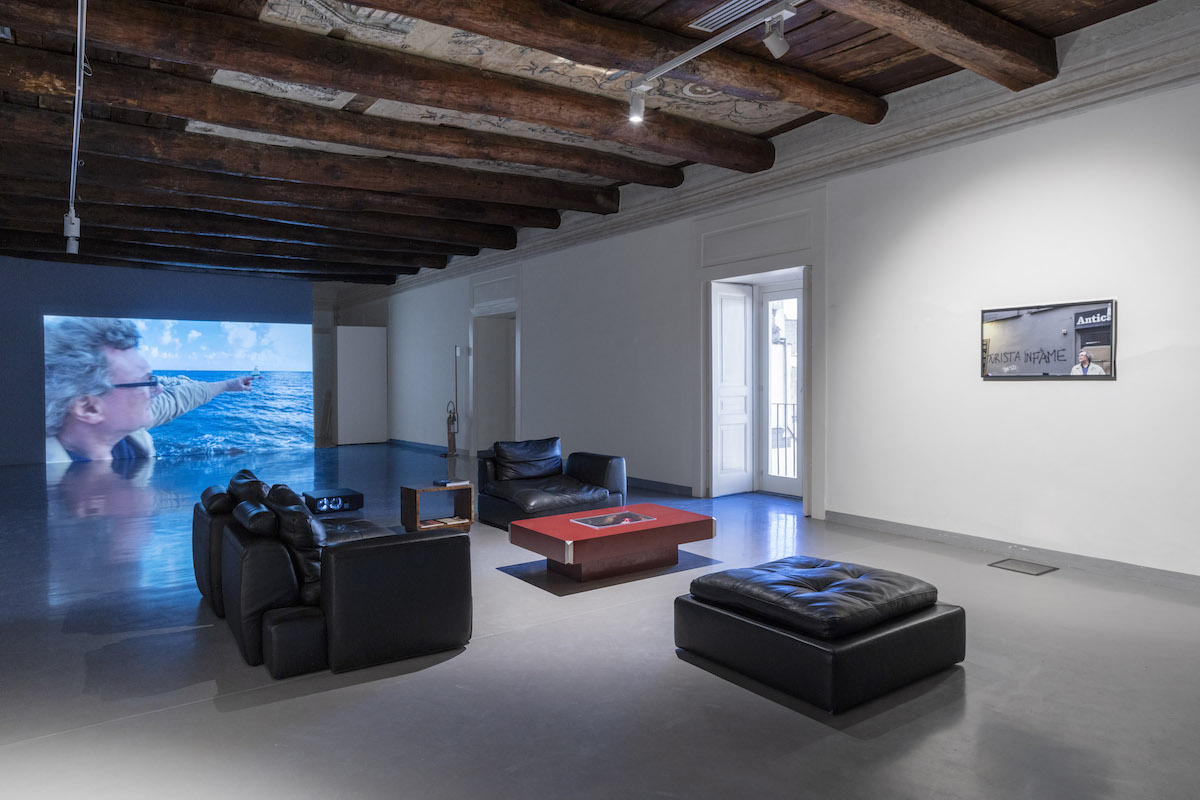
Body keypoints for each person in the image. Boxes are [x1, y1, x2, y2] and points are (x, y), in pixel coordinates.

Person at [44, 317, 252, 463]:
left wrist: (228, 385)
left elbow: (177, 399)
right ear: (89, 408)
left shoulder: (123, 428)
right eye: (145, 382)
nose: (159, 390)